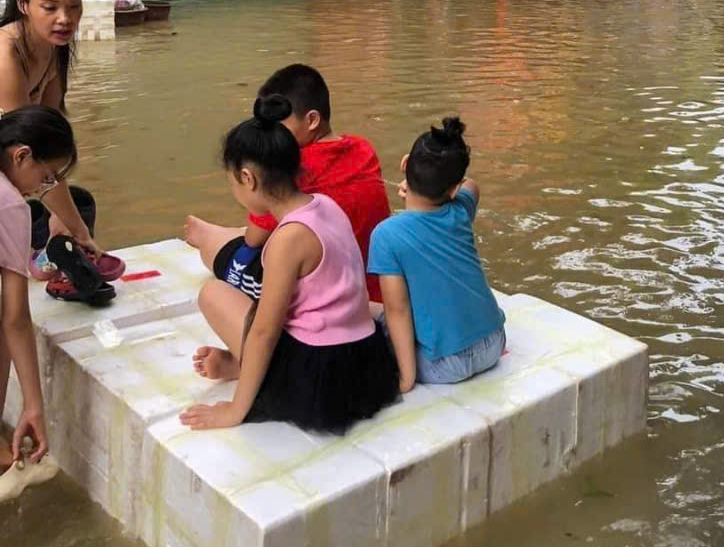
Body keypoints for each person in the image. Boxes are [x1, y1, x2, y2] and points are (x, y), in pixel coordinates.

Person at [181, 94, 398, 434]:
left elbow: (266, 330)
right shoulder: (325, 205)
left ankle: (247, 371)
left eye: (232, 181)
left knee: (213, 294)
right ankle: (240, 364)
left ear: (248, 178)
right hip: (365, 360)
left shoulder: (288, 239)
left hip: (321, 377)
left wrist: (236, 410)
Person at [186, 64, 390, 304]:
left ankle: (202, 232)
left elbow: (254, 239)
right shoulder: (362, 147)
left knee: (211, 243)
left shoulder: (292, 166)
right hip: (375, 282)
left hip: (330, 290)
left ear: (312, 120)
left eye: (279, 128)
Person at [367, 116, 505, 390]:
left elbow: (398, 311)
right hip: (494, 343)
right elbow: (472, 186)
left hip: (443, 366)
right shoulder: (460, 210)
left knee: (364, 307)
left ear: (405, 164)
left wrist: (406, 378)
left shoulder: (386, 235)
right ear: (454, 188)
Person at [0, 0, 101, 260]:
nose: (65, 18)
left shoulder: (53, 46)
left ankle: (52, 262)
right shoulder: (6, 55)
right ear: (23, 5)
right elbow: (29, 147)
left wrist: (64, 218)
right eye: (50, 7)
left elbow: (51, 139)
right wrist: (79, 230)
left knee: (77, 203)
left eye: (74, 6)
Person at [0, 106, 73, 500]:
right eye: (46, 178)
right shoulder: (10, 205)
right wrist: (33, 405)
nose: (41, 189)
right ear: (21, 155)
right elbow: (15, 318)